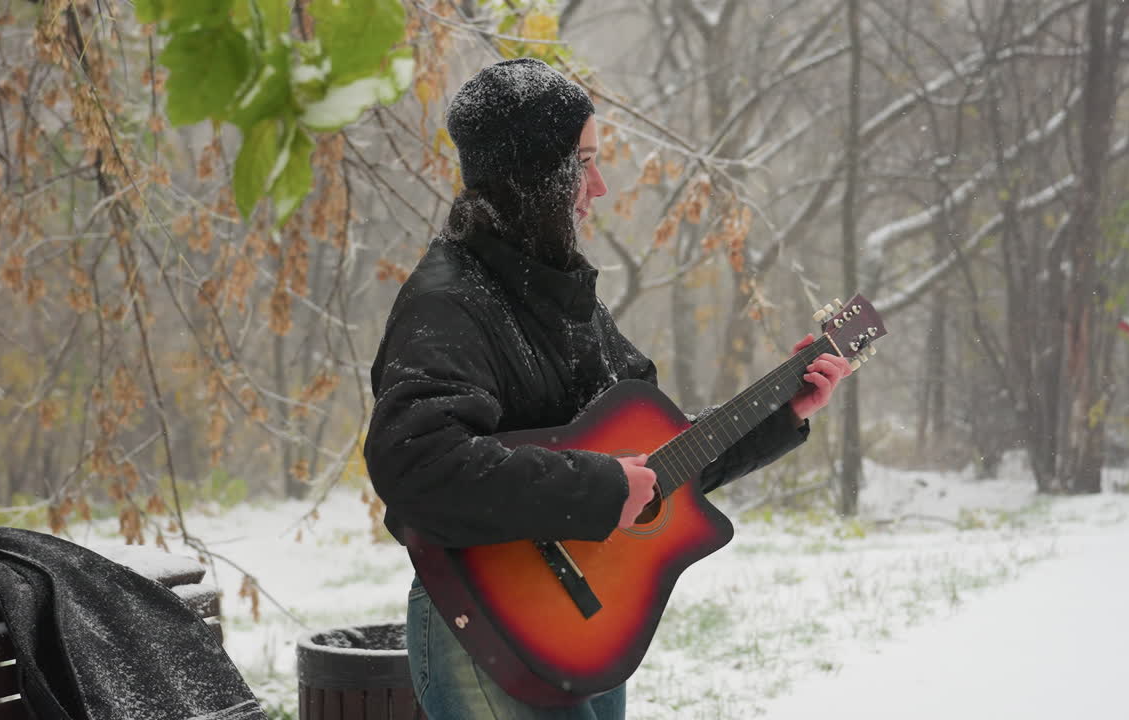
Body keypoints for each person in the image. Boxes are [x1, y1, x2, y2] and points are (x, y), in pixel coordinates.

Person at [363, 58, 852, 720]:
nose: (599, 185)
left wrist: (783, 412)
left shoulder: (561, 295)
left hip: (585, 624)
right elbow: (415, 463)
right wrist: (597, 491)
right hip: (487, 629)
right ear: (534, 175)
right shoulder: (450, 301)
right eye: (583, 162)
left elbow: (657, 463)